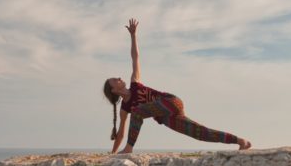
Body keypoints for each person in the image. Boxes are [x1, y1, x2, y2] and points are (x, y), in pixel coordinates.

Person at [103, 18, 252, 154]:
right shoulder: (125, 109)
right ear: (114, 90)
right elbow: (121, 133)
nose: (119, 78)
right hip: (167, 117)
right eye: (115, 80)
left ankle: (129, 149)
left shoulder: (134, 83)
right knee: (200, 133)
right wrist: (113, 154)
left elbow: (135, 57)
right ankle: (241, 141)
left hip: (171, 101)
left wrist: (133, 36)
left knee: (137, 111)